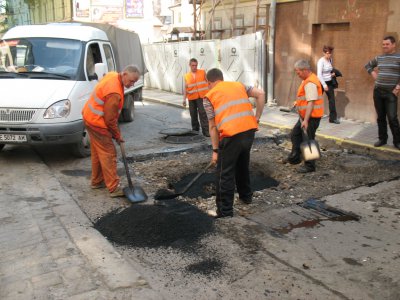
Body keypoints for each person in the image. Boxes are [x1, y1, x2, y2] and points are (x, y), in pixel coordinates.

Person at [203, 68, 265, 218]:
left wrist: (215, 151)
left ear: (209, 82)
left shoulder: (209, 97)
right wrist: (257, 117)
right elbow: (261, 94)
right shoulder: (239, 85)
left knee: (224, 173)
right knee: (242, 164)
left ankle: (225, 211)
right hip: (249, 130)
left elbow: (212, 127)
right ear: (221, 78)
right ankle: (246, 196)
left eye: (208, 84)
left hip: (231, 136)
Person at [82, 65, 141, 197]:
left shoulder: (113, 75)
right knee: (109, 153)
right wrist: (117, 135)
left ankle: (97, 181)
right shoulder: (114, 92)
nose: (132, 85)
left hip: (89, 117)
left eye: (134, 82)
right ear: (124, 74)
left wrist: (116, 134)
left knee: (98, 153)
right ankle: (114, 187)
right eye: (131, 81)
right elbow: (110, 120)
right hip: (97, 123)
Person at [285, 60, 324, 173]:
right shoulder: (306, 80)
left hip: (310, 118)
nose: (298, 75)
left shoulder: (310, 82)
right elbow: (306, 99)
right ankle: (295, 158)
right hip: (305, 116)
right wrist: (298, 103)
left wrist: (306, 120)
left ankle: (310, 166)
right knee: (295, 134)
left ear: (305, 70)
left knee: (308, 140)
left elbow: (311, 102)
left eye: (298, 72)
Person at [365, 36, 400, 149]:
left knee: (392, 118)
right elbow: (368, 65)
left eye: (387, 44)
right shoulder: (379, 58)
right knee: (380, 117)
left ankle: (397, 141)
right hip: (378, 92)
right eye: (383, 44)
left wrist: (398, 87)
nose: (384, 46)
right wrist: (373, 73)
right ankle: (382, 139)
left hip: (391, 93)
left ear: (393, 45)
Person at [183, 58, 210, 136]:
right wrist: (184, 99)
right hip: (191, 98)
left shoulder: (202, 72)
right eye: (193, 65)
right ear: (190, 65)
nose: (194, 67)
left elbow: (208, 83)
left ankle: (206, 131)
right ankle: (195, 131)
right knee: (193, 114)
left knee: (203, 113)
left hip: (201, 97)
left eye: (196, 65)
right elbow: (185, 88)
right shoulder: (186, 76)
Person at [317, 45, 340, 124]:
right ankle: (313, 116)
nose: (329, 55)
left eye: (330, 53)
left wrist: (332, 74)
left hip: (329, 82)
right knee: (317, 100)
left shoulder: (330, 60)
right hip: (321, 82)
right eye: (327, 53)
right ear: (323, 53)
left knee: (332, 100)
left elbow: (330, 70)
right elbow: (319, 74)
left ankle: (332, 118)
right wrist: (324, 85)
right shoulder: (321, 61)